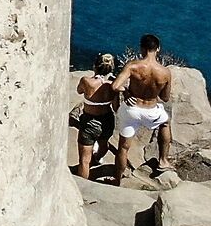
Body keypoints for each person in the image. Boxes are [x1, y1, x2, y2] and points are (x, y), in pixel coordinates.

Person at [114, 35, 177, 181]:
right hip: (151, 110)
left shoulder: (133, 66)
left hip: (132, 109)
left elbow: (115, 86)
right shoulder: (165, 72)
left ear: (142, 48)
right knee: (165, 122)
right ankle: (163, 160)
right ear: (158, 49)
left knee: (123, 148)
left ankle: (117, 179)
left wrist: (127, 92)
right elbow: (165, 98)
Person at [71, 52, 119, 181]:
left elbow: (79, 90)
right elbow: (115, 107)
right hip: (107, 120)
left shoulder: (86, 81)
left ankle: (84, 185)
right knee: (104, 144)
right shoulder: (113, 85)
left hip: (89, 121)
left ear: (95, 66)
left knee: (84, 160)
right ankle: (97, 158)